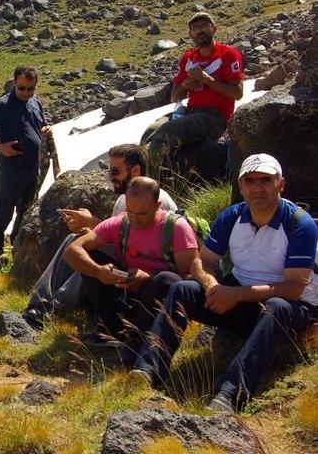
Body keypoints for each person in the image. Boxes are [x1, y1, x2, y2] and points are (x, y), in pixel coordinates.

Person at [130, 154, 318, 413]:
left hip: (291, 309)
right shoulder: (233, 216)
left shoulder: (300, 224)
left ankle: (230, 393)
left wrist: (236, 294)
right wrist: (211, 285)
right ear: (240, 186)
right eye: (249, 180)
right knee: (183, 289)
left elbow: (295, 287)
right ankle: (147, 370)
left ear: (281, 184)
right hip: (240, 298)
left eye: (266, 180)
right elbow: (202, 261)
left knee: (277, 306)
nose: (257, 187)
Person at [23, 144, 177, 327]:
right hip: (125, 269)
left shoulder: (158, 203)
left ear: (136, 170)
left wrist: (92, 223)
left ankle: (55, 307)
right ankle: (40, 304)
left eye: (115, 171)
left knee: (89, 257)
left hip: (143, 279)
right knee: (75, 242)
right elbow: (121, 239)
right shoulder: (123, 200)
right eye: (109, 171)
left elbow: (141, 249)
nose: (111, 177)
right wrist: (92, 232)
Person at [64, 177, 198, 364]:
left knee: (166, 280)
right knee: (92, 258)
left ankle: (139, 340)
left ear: (157, 205)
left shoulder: (176, 228)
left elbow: (192, 278)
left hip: (161, 304)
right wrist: (98, 271)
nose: (134, 219)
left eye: (142, 213)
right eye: (130, 211)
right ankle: (111, 331)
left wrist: (149, 279)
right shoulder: (120, 223)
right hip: (129, 295)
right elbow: (72, 250)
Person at [141, 12, 244, 179]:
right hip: (189, 111)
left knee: (167, 130)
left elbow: (237, 93)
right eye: (195, 28)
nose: (200, 31)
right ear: (190, 35)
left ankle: (148, 183)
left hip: (216, 116)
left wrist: (206, 78)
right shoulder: (189, 58)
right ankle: (149, 173)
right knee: (151, 131)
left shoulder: (228, 54)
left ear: (214, 29)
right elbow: (175, 96)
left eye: (204, 26)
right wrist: (184, 86)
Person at [0, 64, 57, 259]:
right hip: (11, 169)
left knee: (26, 212)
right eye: (22, 88)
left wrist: (46, 131)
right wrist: (1, 147)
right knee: (3, 212)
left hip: (33, 168)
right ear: (14, 83)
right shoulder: (2, 105)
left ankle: (17, 250)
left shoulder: (35, 102)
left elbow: (41, 125)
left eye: (30, 89)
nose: (26, 92)